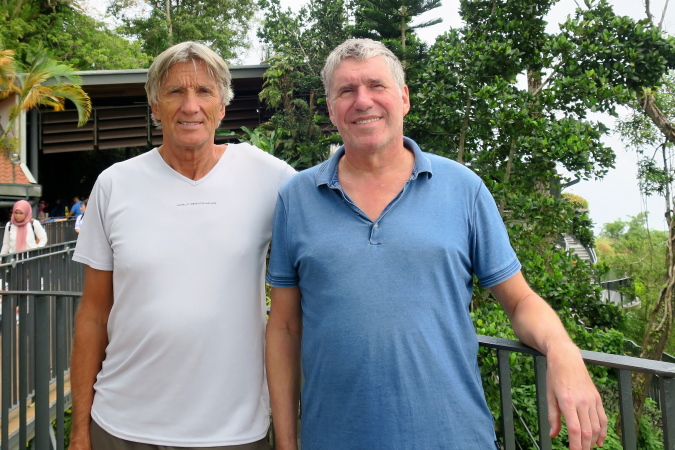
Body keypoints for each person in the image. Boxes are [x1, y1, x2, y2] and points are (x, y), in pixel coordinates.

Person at [265, 39, 607, 450]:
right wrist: (286, 443)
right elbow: (284, 327)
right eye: (346, 90)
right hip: (334, 439)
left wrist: (562, 349)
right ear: (331, 108)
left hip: (455, 437)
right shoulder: (296, 198)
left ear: (403, 98)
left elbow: (519, 301)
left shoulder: (464, 188)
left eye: (376, 85)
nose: (362, 100)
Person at [69, 41, 295, 450]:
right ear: (155, 106)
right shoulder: (115, 184)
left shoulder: (271, 177)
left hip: (233, 431)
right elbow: (93, 314)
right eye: (175, 91)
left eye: (204, 91)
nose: (191, 106)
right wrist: (79, 432)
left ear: (222, 106)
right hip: (121, 426)